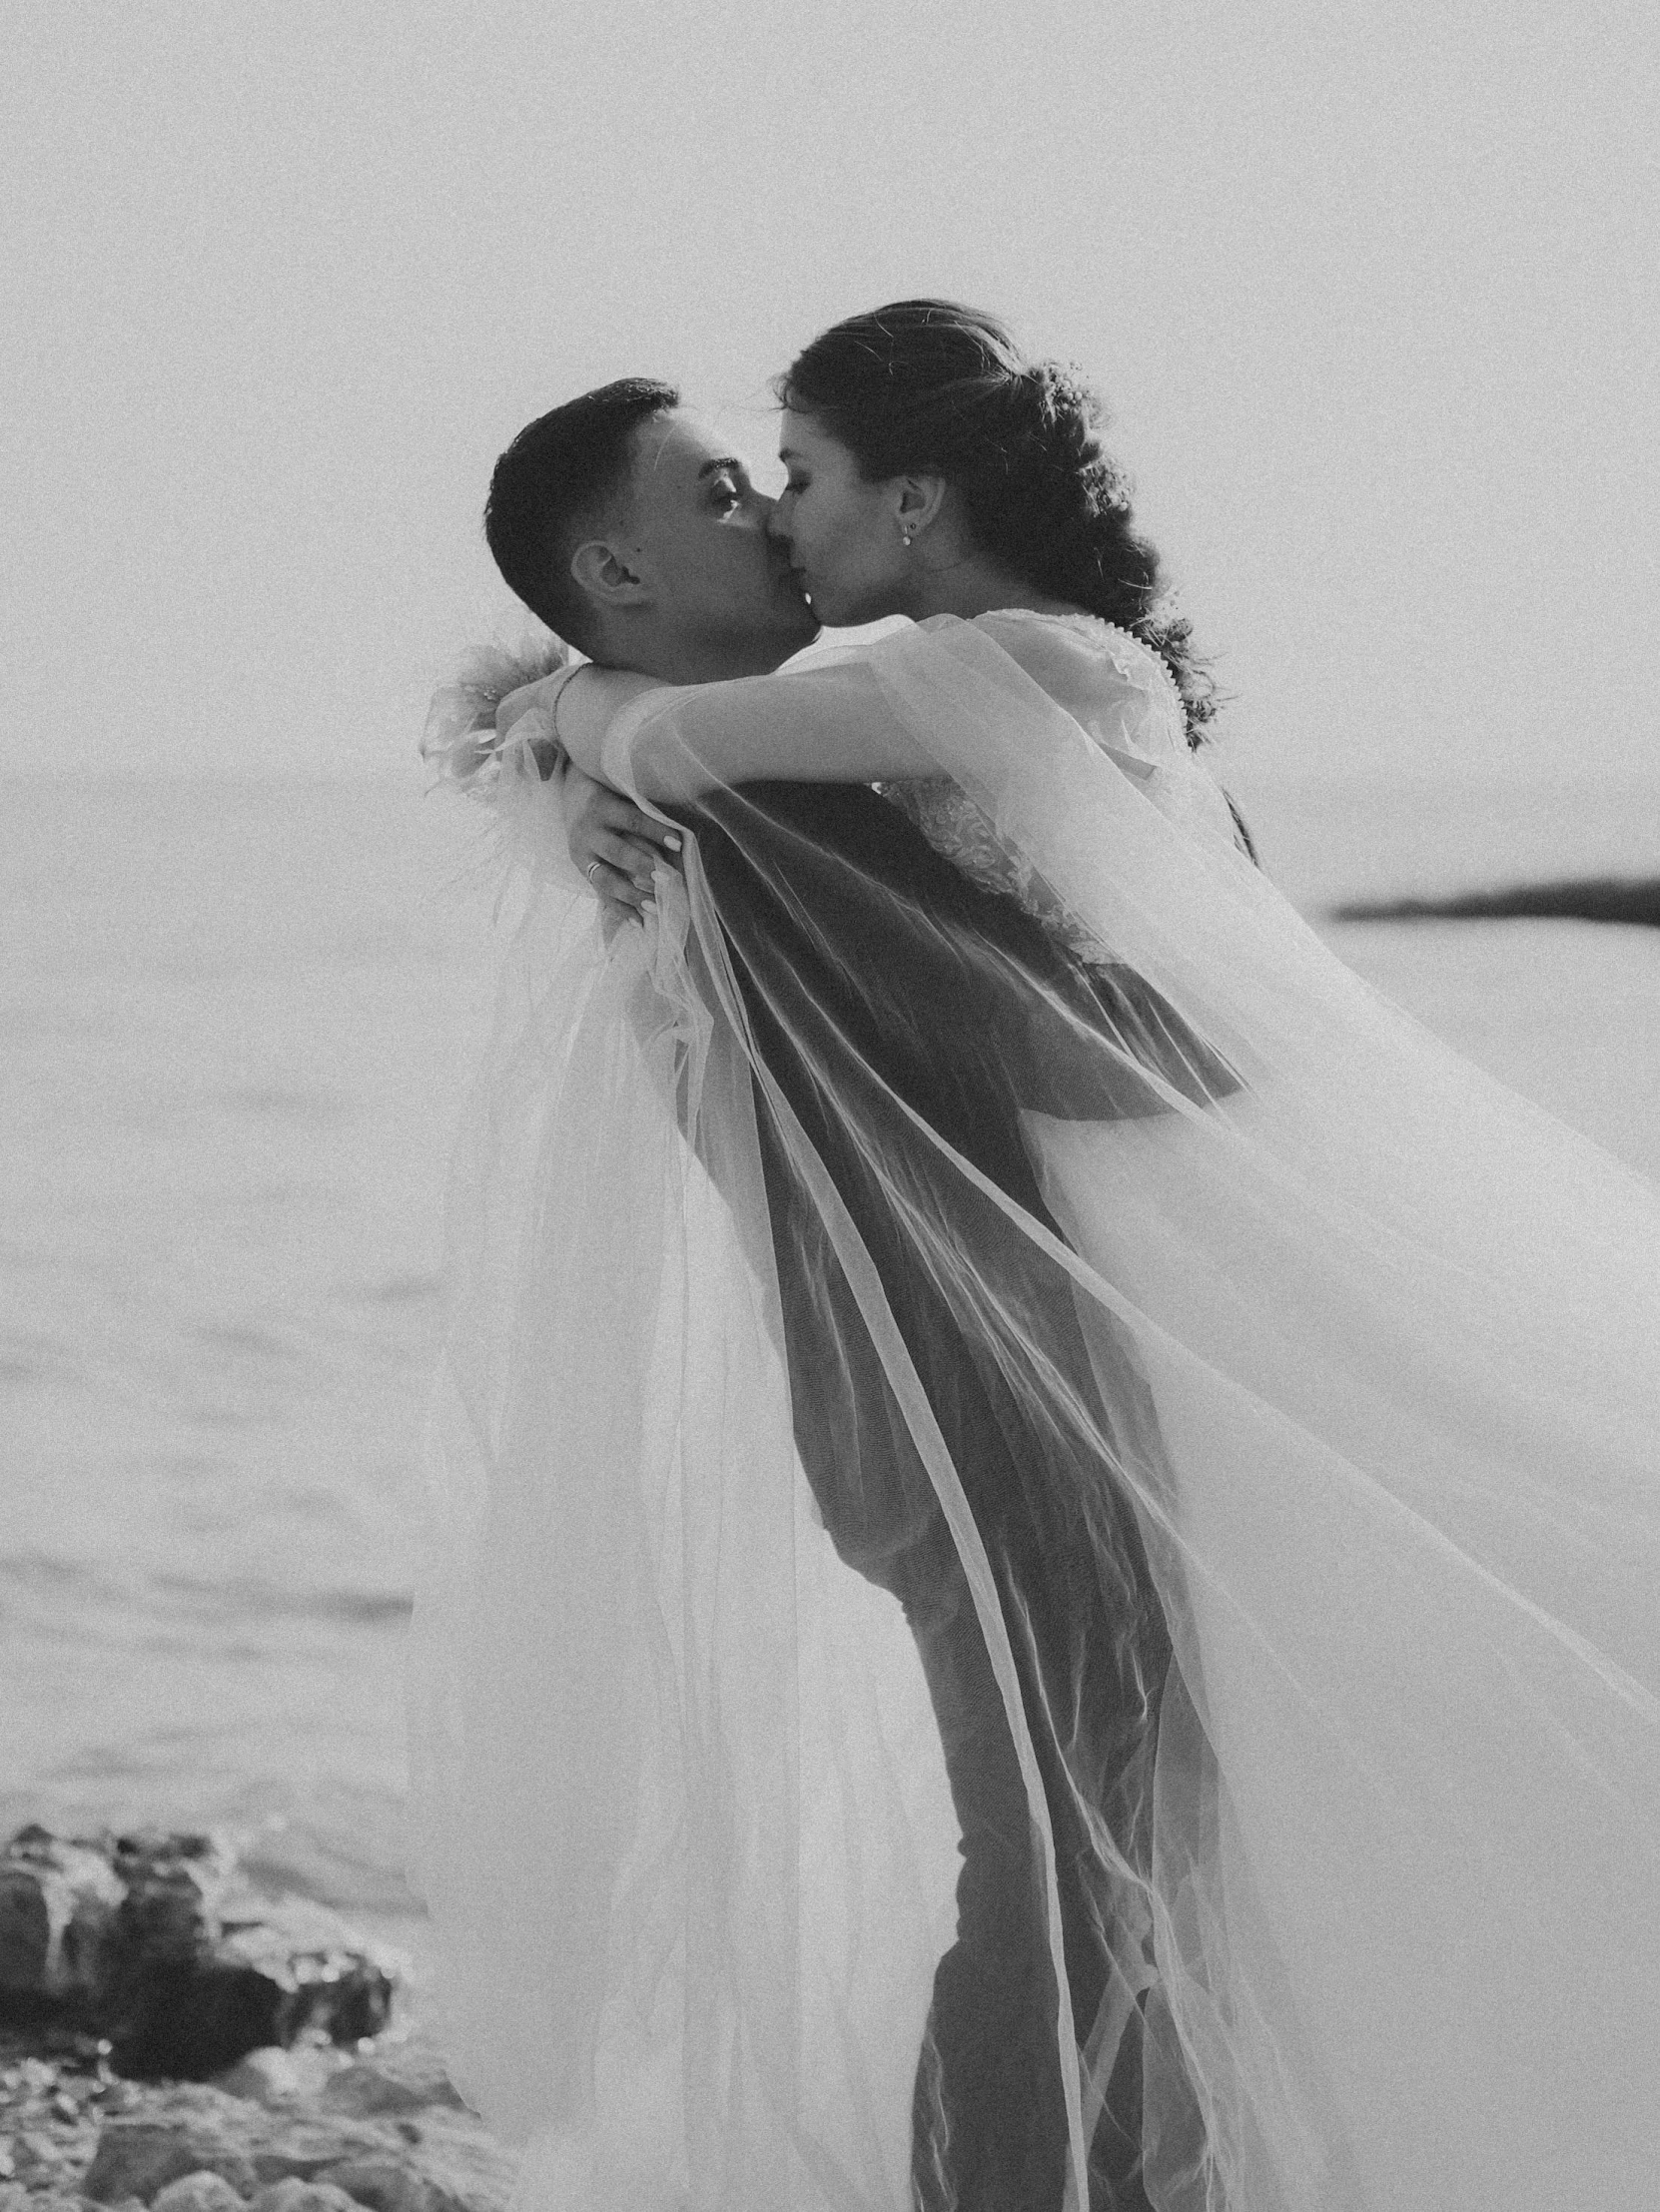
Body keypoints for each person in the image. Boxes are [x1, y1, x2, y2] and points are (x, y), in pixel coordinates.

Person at [420, 306, 1660, 2212]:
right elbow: (1044, 1051)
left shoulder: (803, 763)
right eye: (727, 487)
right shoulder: (755, 816)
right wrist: (576, 724)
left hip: (1024, 1363)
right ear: (616, 569)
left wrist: (560, 719)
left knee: (1145, 1831)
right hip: (966, 1377)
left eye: (788, 474)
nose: (765, 512)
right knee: (1075, 1857)